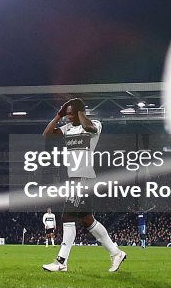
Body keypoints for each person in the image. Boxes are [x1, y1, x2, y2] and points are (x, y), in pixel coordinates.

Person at [41, 98, 127, 273]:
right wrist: (59, 115)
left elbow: (89, 128)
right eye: (68, 114)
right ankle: (115, 252)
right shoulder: (67, 129)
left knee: (67, 217)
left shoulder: (93, 124)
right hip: (74, 177)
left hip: (83, 177)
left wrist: (78, 112)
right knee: (88, 220)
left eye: (71, 114)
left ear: (80, 112)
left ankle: (61, 262)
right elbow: (47, 134)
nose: (68, 117)